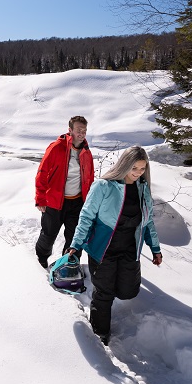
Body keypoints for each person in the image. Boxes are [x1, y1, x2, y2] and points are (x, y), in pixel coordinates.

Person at [68, 146, 162, 345]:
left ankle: (105, 301)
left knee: (128, 291)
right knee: (104, 293)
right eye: (134, 168)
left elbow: (148, 222)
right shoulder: (104, 186)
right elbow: (86, 217)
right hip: (103, 250)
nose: (138, 173)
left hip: (129, 249)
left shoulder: (143, 188)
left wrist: (155, 248)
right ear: (124, 164)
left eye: (142, 169)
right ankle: (100, 335)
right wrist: (76, 245)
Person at [34, 116, 95, 269]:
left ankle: (68, 264)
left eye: (84, 131)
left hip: (77, 202)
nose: (82, 133)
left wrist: (90, 201)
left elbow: (90, 178)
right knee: (48, 235)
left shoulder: (87, 153)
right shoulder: (56, 148)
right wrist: (40, 198)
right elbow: (42, 172)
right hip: (54, 201)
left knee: (75, 238)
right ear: (70, 130)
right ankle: (40, 259)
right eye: (79, 130)